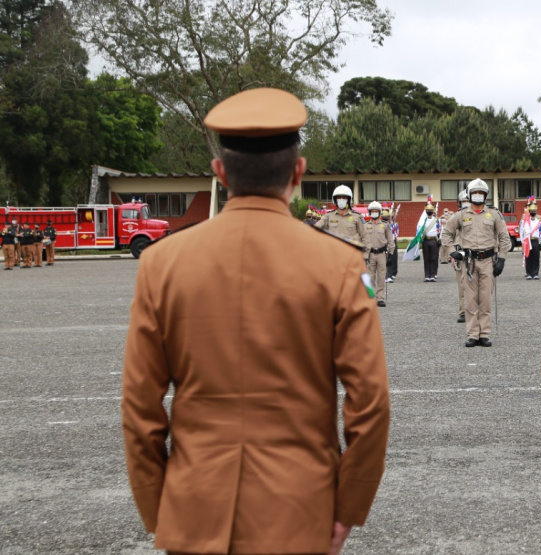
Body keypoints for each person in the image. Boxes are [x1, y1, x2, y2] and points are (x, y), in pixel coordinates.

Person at [122, 88, 390, 555]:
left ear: (220, 173)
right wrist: (348, 508)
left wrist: (158, 507)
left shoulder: (161, 263)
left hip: (194, 510)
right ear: (298, 172)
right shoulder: (342, 265)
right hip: (300, 511)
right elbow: (370, 403)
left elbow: (140, 408)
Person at [441, 178, 510, 347]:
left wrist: (501, 258)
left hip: (488, 261)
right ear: (470, 195)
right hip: (469, 262)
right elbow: (446, 234)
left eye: (481, 193)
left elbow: (504, 237)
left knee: (485, 299)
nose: (478, 196)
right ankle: (472, 334)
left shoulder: (494, 214)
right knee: (471, 299)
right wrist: (452, 251)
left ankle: (484, 334)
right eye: (475, 193)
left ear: (485, 195)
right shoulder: (461, 215)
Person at [314, 185, 368, 253]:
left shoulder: (357, 216)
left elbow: (365, 236)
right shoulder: (328, 216)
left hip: (351, 254)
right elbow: (316, 227)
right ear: (335, 200)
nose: (341, 200)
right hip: (334, 254)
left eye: (344, 197)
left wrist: (365, 255)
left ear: (349, 199)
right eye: (339, 197)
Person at [365, 201, 394, 307]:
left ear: (380, 212)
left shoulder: (385, 226)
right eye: (372, 211)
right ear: (369, 212)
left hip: (382, 254)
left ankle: (380, 298)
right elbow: (362, 240)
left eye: (376, 211)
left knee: (381, 276)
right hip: (370, 254)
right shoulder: (365, 226)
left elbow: (390, 240)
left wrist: (391, 254)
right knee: (370, 276)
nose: (374, 213)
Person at [451, 190, 470, 323]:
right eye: (463, 202)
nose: (466, 204)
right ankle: (463, 311)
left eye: (467, 201)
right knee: (462, 285)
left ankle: (475, 311)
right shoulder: (455, 217)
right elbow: (448, 237)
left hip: (476, 254)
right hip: (459, 253)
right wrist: (452, 255)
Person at [416, 199, 441, 282]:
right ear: (426, 211)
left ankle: (433, 275)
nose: (429, 211)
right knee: (426, 259)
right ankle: (427, 275)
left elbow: (440, 230)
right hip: (426, 240)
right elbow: (420, 229)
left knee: (434, 258)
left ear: (433, 211)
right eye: (428, 210)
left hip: (434, 240)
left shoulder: (437, 220)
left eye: (430, 210)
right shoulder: (423, 220)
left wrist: (440, 239)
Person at [521, 199, 541, 280]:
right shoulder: (525, 221)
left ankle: (535, 273)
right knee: (528, 257)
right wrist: (522, 242)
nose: (533, 212)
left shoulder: (539, 222)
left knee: (536, 258)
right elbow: (522, 232)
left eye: (534, 210)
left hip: (535, 241)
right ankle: (528, 274)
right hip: (527, 241)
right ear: (529, 211)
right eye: (531, 211)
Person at [383, 207, 399, 282]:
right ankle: (386, 274)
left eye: (388, 217)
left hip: (392, 242)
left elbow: (396, 233)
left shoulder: (393, 225)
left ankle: (391, 273)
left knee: (392, 258)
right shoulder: (382, 225)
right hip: (384, 243)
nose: (388, 218)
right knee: (384, 259)